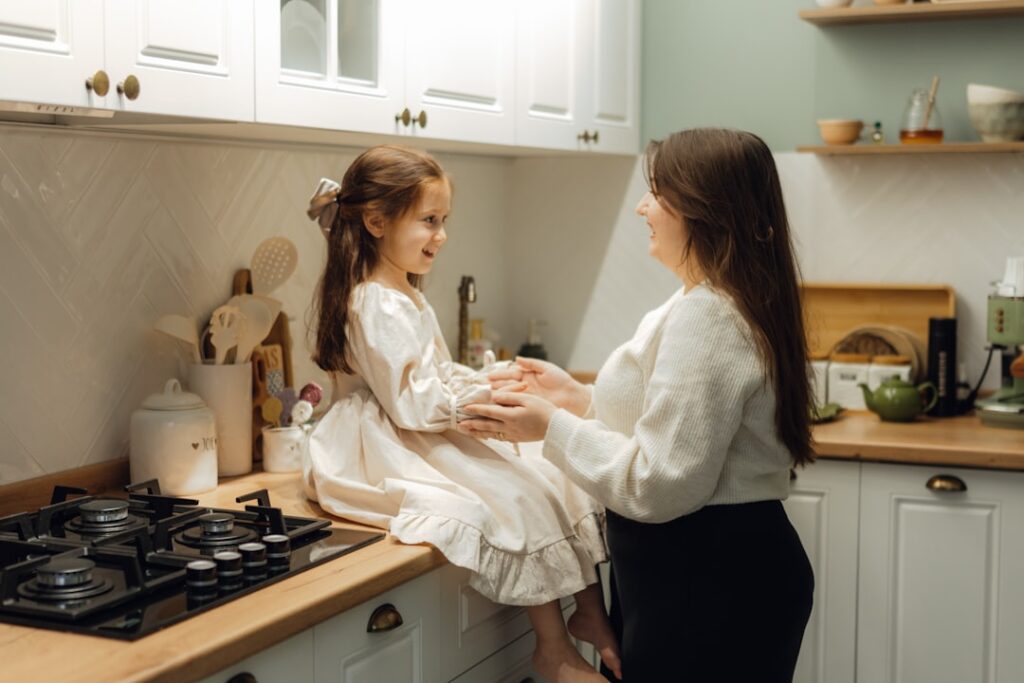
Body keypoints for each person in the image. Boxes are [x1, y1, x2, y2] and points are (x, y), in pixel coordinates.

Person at [459, 128, 815, 682]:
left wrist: (551, 427)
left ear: (701, 209)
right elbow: (675, 417)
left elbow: (660, 482)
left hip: (712, 587)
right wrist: (578, 400)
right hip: (705, 577)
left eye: (657, 192)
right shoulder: (707, 298)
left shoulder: (710, 318)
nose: (642, 207)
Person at [302, 145, 621, 683]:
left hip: (420, 425)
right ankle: (553, 648)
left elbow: (433, 373)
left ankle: (589, 611)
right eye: (429, 221)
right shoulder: (374, 301)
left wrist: (484, 382)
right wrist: (472, 401)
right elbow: (410, 401)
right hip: (391, 437)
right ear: (377, 222)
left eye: (443, 220)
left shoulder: (403, 290)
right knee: (514, 495)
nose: (441, 235)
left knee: (550, 473)